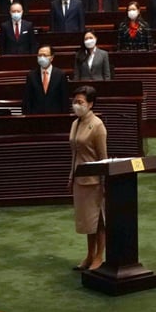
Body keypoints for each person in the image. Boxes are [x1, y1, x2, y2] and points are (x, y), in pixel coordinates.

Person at [67, 85, 107, 271]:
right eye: (75, 102)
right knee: (86, 221)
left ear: (90, 104)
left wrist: (104, 182)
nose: (76, 105)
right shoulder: (76, 123)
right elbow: (74, 154)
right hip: (79, 179)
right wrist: (71, 177)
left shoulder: (97, 125)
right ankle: (89, 254)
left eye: (80, 102)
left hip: (94, 181)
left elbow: (103, 157)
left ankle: (100, 255)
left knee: (98, 220)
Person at [23, 45, 68, 114]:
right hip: (36, 117)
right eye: (39, 55)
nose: (42, 58)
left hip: (55, 116)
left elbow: (64, 100)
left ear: (52, 58)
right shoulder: (31, 75)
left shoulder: (60, 75)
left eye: (45, 55)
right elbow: (27, 100)